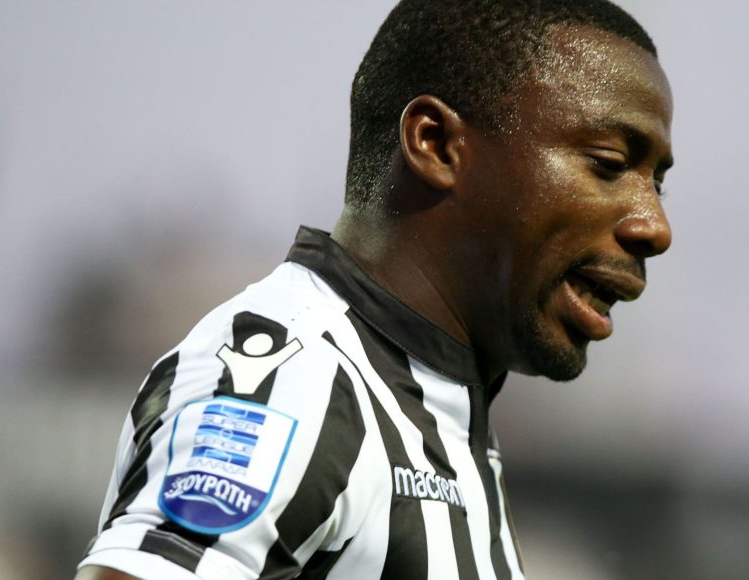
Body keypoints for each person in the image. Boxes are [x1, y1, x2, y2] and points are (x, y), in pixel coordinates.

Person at [76, 0, 673, 577]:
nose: (654, 227)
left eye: (657, 183)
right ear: (435, 144)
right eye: (609, 163)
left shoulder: (436, 407)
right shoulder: (293, 383)